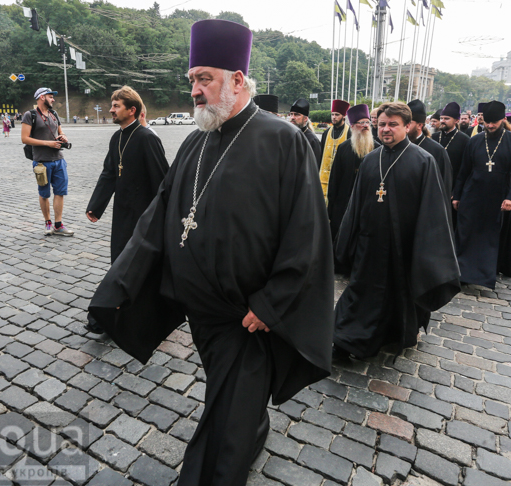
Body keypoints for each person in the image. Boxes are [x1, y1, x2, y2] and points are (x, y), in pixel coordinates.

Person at [88, 19, 333, 486]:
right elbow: (159, 215)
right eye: (192, 80)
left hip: (247, 314)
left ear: (238, 80)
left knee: (226, 422)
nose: (196, 91)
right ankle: (252, 425)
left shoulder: (283, 140)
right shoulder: (196, 140)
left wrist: (272, 302)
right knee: (232, 398)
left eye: (206, 78)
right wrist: (122, 282)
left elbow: (307, 231)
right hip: (201, 311)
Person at [333, 101, 460, 360]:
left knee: (396, 295)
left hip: (404, 246)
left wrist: (426, 250)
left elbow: (433, 210)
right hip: (369, 246)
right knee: (362, 292)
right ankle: (347, 340)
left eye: (393, 124)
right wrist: (345, 242)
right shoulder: (370, 160)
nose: (386, 129)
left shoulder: (423, 161)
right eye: (381, 124)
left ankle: (392, 335)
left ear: (407, 126)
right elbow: (355, 205)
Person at [85, 87, 170, 334]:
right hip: (122, 212)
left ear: (132, 110)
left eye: (116, 106)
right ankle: (121, 310)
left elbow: (162, 181)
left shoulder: (147, 138)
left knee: (135, 265)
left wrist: (163, 219)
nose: (111, 110)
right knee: (119, 260)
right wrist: (96, 205)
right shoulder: (116, 137)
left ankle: (115, 313)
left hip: (145, 216)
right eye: (111, 105)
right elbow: (109, 173)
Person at [453, 100, 511, 289]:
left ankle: (482, 276)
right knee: (466, 233)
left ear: (503, 120)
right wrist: (457, 195)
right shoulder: (475, 141)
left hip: (498, 196)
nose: (490, 125)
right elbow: (464, 171)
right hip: (472, 194)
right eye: (487, 122)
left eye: (494, 122)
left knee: (487, 236)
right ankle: (463, 273)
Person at [22, 87, 74, 237]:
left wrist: (63, 137)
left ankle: (58, 225)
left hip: (59, 160)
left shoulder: (54, 114)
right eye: (50, 97)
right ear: (42, 97)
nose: (53, 99)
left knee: (60, 192)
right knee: (44, 194)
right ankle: (48, 222)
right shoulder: (29, 115)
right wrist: (48, 143)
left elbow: (60, 131)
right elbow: (25, 138)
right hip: (41, 162)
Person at [327, 103, 379, 244]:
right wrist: (331, 210)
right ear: (353, 126)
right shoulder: (344, 148)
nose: (366, 126)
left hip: (368, 206)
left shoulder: (378, 149)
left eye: (367, 122)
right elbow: (334, 180)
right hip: (343, 205)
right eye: (361, 123)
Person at [407, 100, 453, 198]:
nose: (404, 126)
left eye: (408, 123)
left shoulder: (437, 151)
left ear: (420, 125)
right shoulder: (397, 146)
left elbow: (443, 187)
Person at [432, 101, 470, 193]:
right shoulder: (434, 137)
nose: (442, 121)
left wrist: (457, 191)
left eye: (446, 118)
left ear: (456, 121)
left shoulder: (465, 140)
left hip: (452, 186)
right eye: (441, 118)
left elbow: (465, 168)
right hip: (433, 183)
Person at [319, 99, 351, 200]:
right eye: (332, 114)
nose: (334, 117)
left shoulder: (350, 133)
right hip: (324, 176)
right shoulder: (326, 133)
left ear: (344, 116)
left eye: (337, 114)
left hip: (341, 177)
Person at [288, 98, 321, 167]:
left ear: (305, 118)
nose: (292, 117)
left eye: (297, 114)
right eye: (291, 114)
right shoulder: (287, 135)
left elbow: (314, 167)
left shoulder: (312, 140)